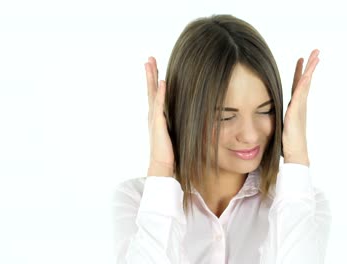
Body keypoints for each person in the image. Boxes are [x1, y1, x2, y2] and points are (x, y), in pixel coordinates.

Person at [111, 14, 331, 264]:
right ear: (186, 113)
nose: (249, 135)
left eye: (265, 110)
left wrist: (296, 159)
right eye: (226, 116)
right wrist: (161, 168)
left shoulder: (300, 203)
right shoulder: (136, 202)